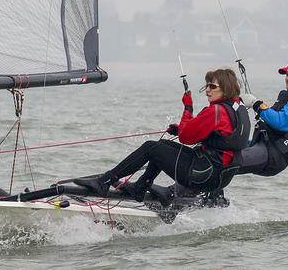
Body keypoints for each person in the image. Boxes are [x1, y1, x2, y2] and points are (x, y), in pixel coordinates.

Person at [74, 68, 245, 202]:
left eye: (212, 86)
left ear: (226, 89)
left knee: (151, 148)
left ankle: (104, 182)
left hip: (204, 175)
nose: (207, 90)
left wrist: (188, 108)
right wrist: (180, 130)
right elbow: (221, 137)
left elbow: (186, 138)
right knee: (162, 146)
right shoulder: (237, 109)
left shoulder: (215, 111)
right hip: (218, 176)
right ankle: (140, 186)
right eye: (206, 85)